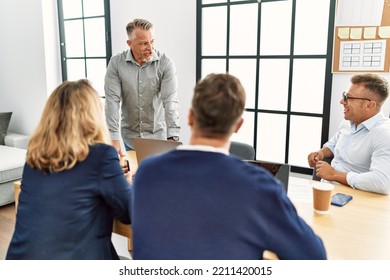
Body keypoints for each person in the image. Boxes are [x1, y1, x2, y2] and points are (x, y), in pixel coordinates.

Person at [131, 73, 326, 260]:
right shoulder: (260, 187)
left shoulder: (147, 171)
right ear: (238, 126)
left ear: (190, 117)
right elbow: (313, 256)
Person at [6, 80, 132, 260]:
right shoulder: (101, 155)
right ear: (92, 116)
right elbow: (129, 213)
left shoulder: (34, 158)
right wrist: (125, 184)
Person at [104, 18, 180, 156]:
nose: (150, 48)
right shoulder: (116, 64)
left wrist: (173, 138)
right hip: (130, 139)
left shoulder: (165, 64)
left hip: (158, 139)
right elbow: (112, 102)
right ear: (129, 43)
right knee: (134, 177)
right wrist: (113, 138)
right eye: (144, 43)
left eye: (152, 41)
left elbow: (170, 102)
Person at [308, 73, 390, 195]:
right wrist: (321, 153)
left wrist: (334, 174)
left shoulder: (384, 134)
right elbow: (334, 143)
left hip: (354, 196)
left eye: (348, 98)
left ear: (369, 105)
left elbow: (382, 182)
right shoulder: (348, 122)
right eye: (344, 96)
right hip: (327, 188)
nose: (342, 101)